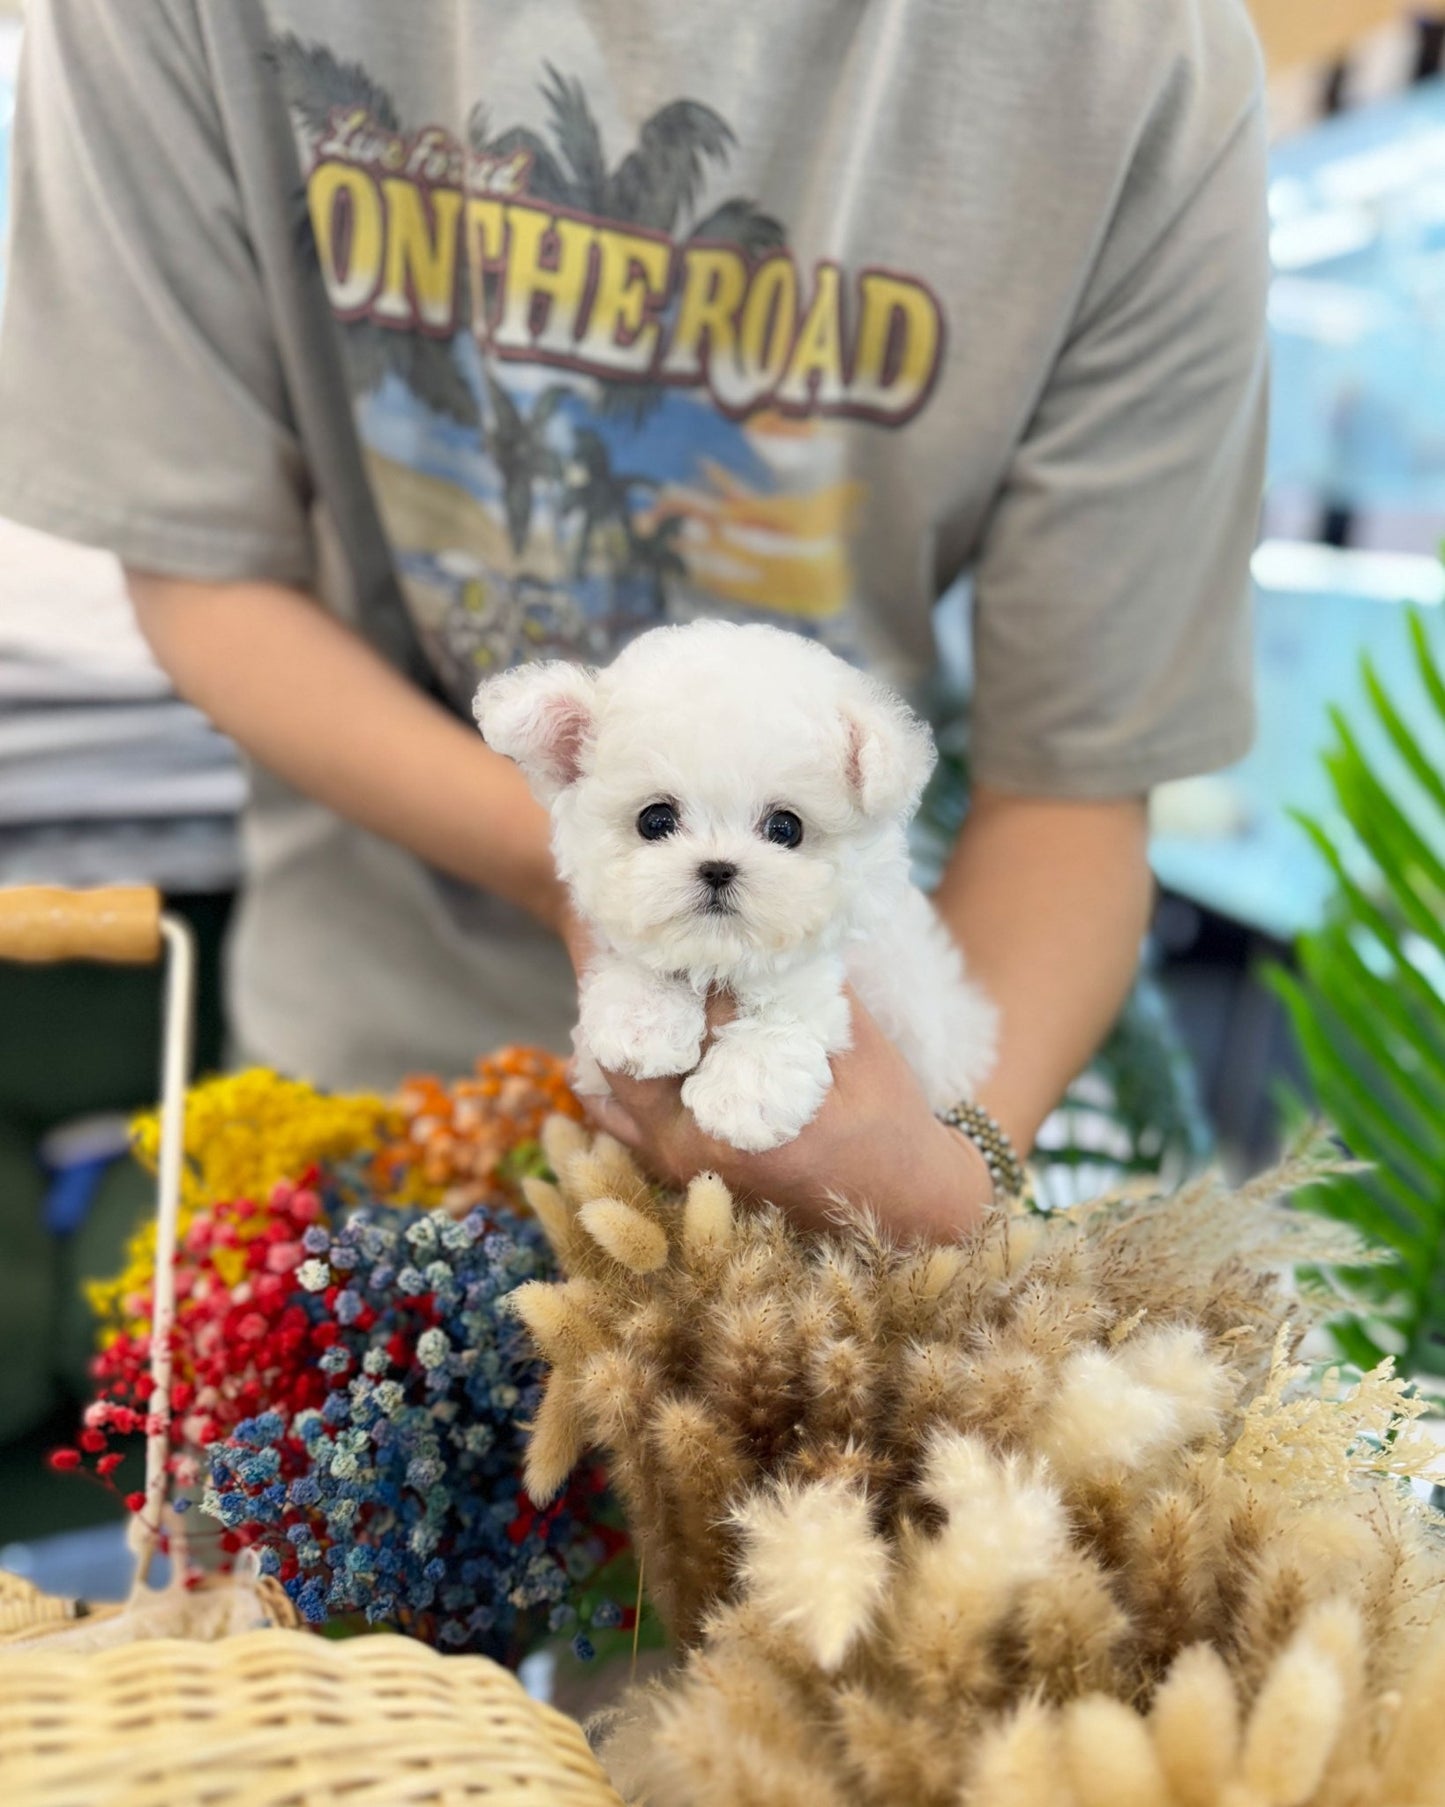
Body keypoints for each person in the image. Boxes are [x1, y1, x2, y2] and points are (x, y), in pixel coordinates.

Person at [0, 0, 1268, 1239]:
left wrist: (943, 1175)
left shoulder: (1138, 57)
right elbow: (206, 583)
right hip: (363, 1086)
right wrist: (586, 884)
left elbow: (1073, 785)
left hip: (856, 1074)